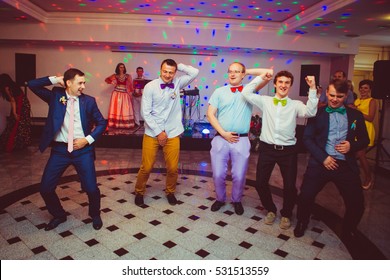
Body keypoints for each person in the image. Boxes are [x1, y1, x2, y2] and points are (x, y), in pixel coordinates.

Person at [27, 68, 107, 231]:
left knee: (91, 188)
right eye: (80, 83)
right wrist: (56, 79)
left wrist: (87, 140)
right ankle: (58, 215)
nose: (83, 86)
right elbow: (32, 85)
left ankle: (95, 214)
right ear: (68, 83)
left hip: (82, 150)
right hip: (60, 151)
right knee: (46, 188)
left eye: (84, 83)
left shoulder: (89, 101)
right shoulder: (56, 97)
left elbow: (102, 122)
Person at [241, 70, 318, 229]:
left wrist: (312, 88)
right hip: (267, 149)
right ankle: (270, 209)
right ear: (275, 84)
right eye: (280, 82)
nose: (283, 85)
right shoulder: (266, 101)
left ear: (290, 85)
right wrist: (261, 77)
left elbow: (310, 112)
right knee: (260, 183)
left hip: (288, 151)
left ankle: (287, 214)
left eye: (287, 83)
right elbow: (246, 92)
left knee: (290, 187)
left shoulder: (295, 105)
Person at [294, 79, 369, 239]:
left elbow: (364, 139)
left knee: (356, 203)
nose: (335, 99)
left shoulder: (356, 115)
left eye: (339, 96)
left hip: (345, 165)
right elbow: (307, 139)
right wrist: (323, 158)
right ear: (327, 93)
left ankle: (349, 228)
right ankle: (302, 221)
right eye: (332, 95)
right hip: (321, 163)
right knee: (305, 196)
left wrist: (351, 145)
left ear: (346, 96)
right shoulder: (317, 113)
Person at [206, 63, 273, 215]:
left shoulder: (250, 91)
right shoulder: (219, 91)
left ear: (243, 74)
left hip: (241, 140)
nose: (233, 74)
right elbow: (210, 114)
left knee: (239, 174)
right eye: (230, 71)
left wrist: (246, 70)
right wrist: (223, 133)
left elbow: (268, 72)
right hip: (221, 138)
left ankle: (237, 200)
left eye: (237, 72)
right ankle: (220, 199)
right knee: (217, 174)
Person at [133, 59, 199, 206]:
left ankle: (170, 191)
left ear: (175, 72)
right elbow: (145, 113)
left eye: (171, 72)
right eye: (165, 71)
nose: (168, 75)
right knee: (147, 167)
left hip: (172, 132)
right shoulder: (150, 87)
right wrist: (158, 132)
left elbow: (195, 72)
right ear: (160, 70)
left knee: (173, 168)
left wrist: (179, 65)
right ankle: (139, 192)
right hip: (152, 132)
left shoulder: (178, 83)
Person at [354, 79, 377, 189]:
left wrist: (357, 111)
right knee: (354, 154)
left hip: (366, 129)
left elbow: (371, 118)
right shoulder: (357, 100)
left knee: (361, 154)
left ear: (370, 90)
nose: (363, 90)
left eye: (366, 88)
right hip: (356, 129)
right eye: (361, 88)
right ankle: (353, 177)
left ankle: (368, 178)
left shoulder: (372, 101)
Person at [0, 73, 31, 153]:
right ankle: (21, 143)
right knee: (22, 123)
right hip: (24, 104)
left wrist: (14, 112)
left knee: (16, 123)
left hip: (20, 105)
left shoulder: (7, 88)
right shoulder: (14, 86)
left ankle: (14, 144)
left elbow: (13, 100)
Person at [105, 63, 135, 129]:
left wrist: (131, 92)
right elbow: (107, 79)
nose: (122, 68)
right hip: (116, 93)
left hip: (124, 93)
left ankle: (125, 124)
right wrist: (113, 82)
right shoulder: (115, 75)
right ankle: (115, 123)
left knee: (125, 109)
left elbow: (131, 85)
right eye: (120, 67)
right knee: (117, 108)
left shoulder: (127, 76)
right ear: (118, 68)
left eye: (123, 67)